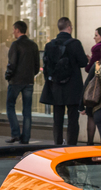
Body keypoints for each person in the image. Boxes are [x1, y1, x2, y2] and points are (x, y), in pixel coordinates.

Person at [40, 17, 88, 146]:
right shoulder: (75, 43)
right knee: (73, 118)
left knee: (58, 118)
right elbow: (83, 62)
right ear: (69, 27)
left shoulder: (49, 45)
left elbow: (46, 66)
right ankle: (71, 145)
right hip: (73, 86)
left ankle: (58, 144)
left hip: (56, 86)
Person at [4, 20, 40, 145]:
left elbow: (12, 63)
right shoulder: (33, 45)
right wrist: (31, 75)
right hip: (29, 81)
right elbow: (37, 65)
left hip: (16, 81)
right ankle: (25, 138)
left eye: (14, 30)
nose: (13, 32)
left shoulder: (16, 45)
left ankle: (15, 133)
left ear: (18, 30)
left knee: (10, 105)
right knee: (27, 110)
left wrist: (8, 75)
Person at [84, 26, 101, 145]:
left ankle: (90, 142)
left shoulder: (97, 48)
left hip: (97, 85)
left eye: (96, 35)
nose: (94, 38)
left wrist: (89, 62)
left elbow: (91, 68)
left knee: (91, 115)